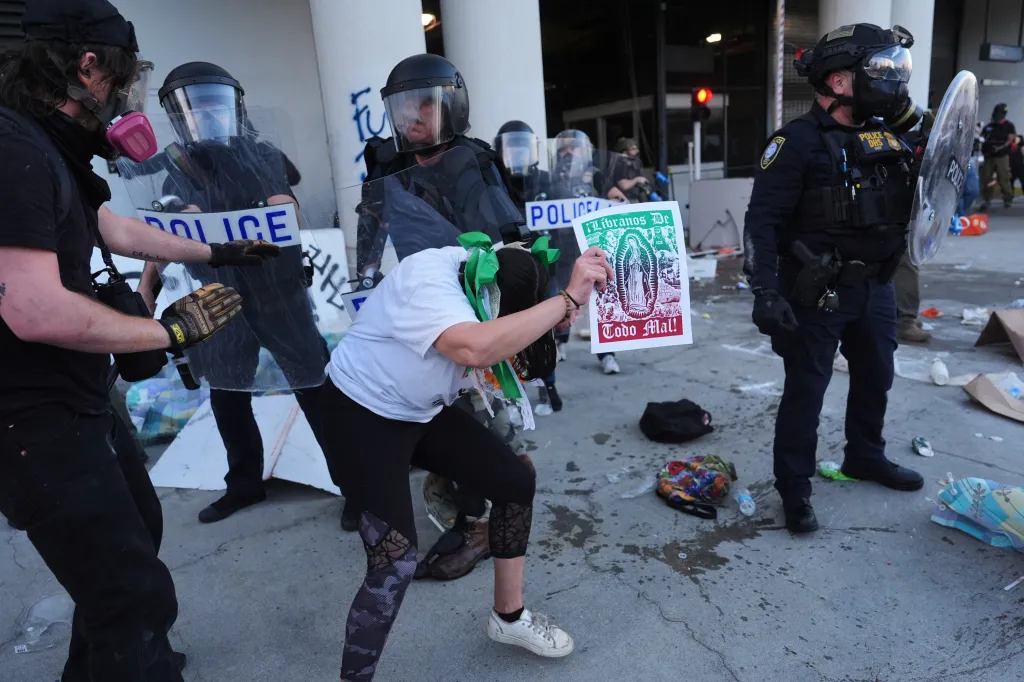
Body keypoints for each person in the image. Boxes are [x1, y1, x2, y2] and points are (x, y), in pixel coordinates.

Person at [0, 1, 280, 679]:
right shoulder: (12, 150)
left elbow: (113, 229)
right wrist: (169, 328)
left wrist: (218, 249)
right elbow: (33, 310)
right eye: (123, 79)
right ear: (87, 66)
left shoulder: (45, 147)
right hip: (29, 414)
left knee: (139, 530)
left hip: (77, 393)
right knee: (130, 594)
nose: (127, 99)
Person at [322, 232, 612, 681]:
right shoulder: (428, 277)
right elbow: (474, 347)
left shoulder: (499, 272)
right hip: (361, 410)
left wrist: (576, 300)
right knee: (394, 560)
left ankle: (508, 619)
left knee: (514, 481)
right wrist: (566, 298)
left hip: (422, 408)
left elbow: (525, 354)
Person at [744, 23, 925, 534]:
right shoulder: (794, 142)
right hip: (817, 292)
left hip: (877, 287)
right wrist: (764, 290)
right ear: (840, 82)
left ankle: (864, 456)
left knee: (877, 376)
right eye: (881, 71)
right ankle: (795, 489)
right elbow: (761, 222)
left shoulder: (889, 136)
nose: (892, 82)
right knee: (807, 389)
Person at [350, 54, 526, 579]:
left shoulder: (474, 160)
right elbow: (371, 221)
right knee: (420, 404)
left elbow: (508, 241)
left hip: (470, 300)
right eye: (404, 105)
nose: (414, 114)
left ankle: (478, 520)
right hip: (415, 299)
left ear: (452, 105)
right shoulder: (384, 159)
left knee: (480, 414)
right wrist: (363, 279)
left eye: (426, 102)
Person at [136, 62, 332, 525]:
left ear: (233, 107)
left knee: (318, 389)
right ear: (180, 116)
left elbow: (288, 211)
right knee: (227, 394)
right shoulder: (176, 168)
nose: (205, 116)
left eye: (212, 106)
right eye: (194, 109)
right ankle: (244, 484)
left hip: (277, 293)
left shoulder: (261, 155)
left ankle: (356, 482)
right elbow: (167, 232)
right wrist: (146, 290)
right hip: (218, 298)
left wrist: (277, 214)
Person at [494, 119, 563, 413]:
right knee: (510, 331)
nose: (518, 155)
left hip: (542, 267)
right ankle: (513, 392)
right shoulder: (495, 182)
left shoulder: (546, 180)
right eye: (513, 149)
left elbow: (565, 218)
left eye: (523, 148)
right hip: (511, 270)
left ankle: (550, 389)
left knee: (542, 330)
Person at [980, 103, 1016, 210]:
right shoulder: (989, 127)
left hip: (1002, 157)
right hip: (989, 157)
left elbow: (1011, 140)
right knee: (986, 178)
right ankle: (987, 199)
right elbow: (982, 138)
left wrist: (999, 147)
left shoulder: (1009, 126)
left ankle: (1008, 199)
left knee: (1004, 178)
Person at [607, 137, 652, 203]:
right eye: (633, 149)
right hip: (622, 201)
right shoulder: (620, 164)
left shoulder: (633, 163)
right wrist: (637, 180)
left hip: (634, 199)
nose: (637, 151)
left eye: (636, 148)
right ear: (624, 152)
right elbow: (624, 185)